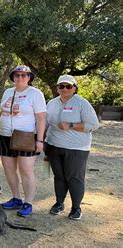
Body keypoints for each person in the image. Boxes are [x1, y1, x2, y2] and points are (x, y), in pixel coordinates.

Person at [45, 75, 99, 220]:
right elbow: (45, 123)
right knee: (59, 177)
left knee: (74, 178)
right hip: (53, 145)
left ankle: (76, 208)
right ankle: (59, 203)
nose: (64, 89)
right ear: (57, 88)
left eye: (68, 86)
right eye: (61, 86)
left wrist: (70, 125)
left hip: (77, 148)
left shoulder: (82, 103)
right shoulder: (51, 103)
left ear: (74, 88)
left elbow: (93, 125)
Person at [0, 65, 46, 218]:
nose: (20, 78)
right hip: (5, 136)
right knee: (9, 169)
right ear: (13, 77)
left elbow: (41, 118)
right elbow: (3, 113)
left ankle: (28, 202)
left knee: (26, 170)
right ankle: (16, 198)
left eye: (24, 75)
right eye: (17, 75)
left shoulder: (35, 94)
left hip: (25, 136)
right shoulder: (8, 92)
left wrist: (39, 140)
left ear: (29, 77)